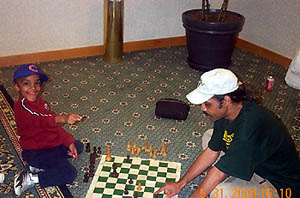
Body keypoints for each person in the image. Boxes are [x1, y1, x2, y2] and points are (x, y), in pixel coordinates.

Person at [155, 68, 300, 198]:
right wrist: (180, 184)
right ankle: (232, 168)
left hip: (276, 185)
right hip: (253, 160)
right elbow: (212, 151)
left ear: (225, 101)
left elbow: (216, 174)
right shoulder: (228, 112)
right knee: (209, 135)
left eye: (207, 104)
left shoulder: (249, 126)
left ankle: (232, 171)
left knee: (219, 192)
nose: (202, 109)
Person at [12, 64, 84, 197]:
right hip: (36, 151)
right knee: (69, 174)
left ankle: (45, 165)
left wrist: (68, 141)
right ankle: (30, 178)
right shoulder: (22, 107)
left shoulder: (41, 102)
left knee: (77, 145)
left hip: (50, 144)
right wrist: (64, 118)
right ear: (17, 87)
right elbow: (45, 120)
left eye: (37, 83)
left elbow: (52, 127)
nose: (33, 88)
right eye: (26, 83)